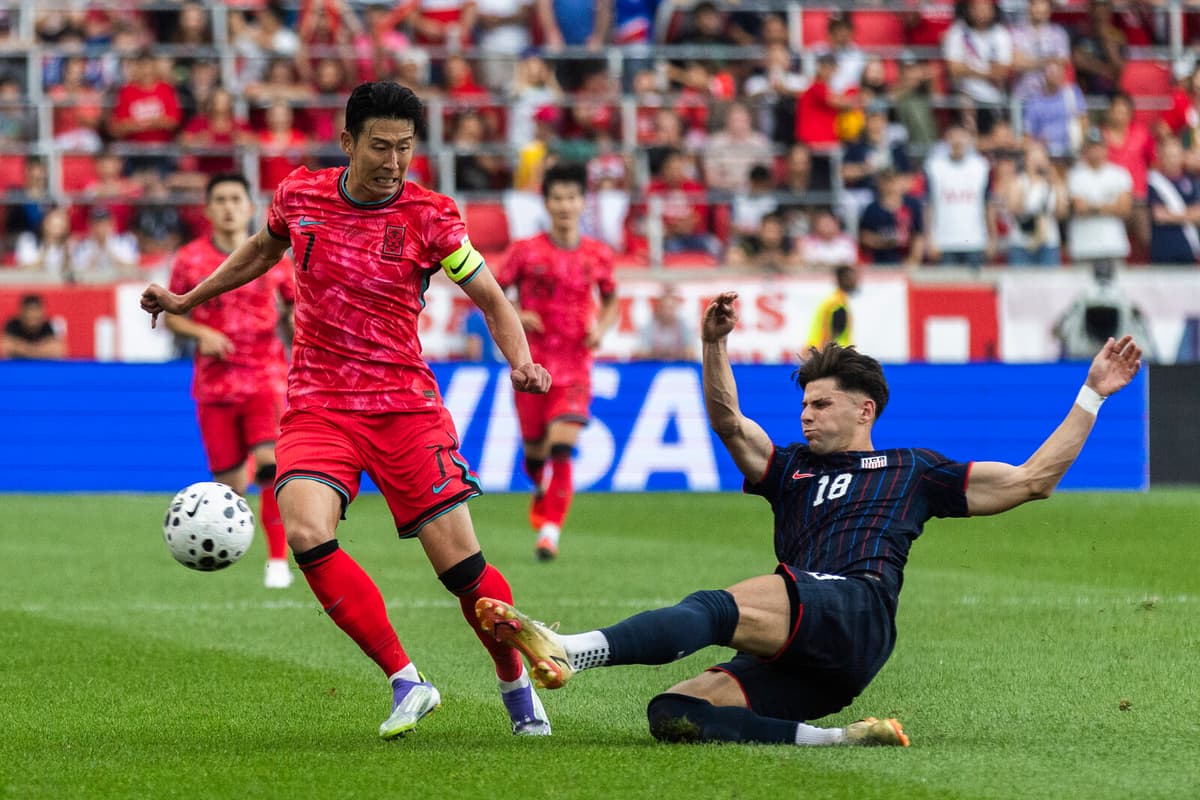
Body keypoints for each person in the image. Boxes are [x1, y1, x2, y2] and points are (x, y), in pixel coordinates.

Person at [475, 291, 1144, 747]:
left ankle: (576, 649)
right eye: (804, 404)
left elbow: (1032, 480)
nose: (807, 414)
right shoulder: (790, 469)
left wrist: (1092, 393)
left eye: (823, 404)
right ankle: (836, 740)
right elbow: (730, 423)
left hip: (855, 611)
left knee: (717, 604)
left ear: (864, 411)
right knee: (674, 714)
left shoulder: (912, 470)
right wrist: (714, 347)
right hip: (820, 666)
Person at [140, 82, 554, 740]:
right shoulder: (300, 196)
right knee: (305, 529)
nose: (394, 161)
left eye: (406, 148)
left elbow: (491, 297)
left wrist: (520, 360)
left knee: (464, 572)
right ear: (347, 143)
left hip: (404, 410)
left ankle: (515, 682)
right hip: (318, 404)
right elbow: (259, 250)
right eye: (382, 147)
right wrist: (190, 300)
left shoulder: (431, 216)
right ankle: (406, 680)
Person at [163, 173, 296, 590]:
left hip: (265, 375)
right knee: (230, 484)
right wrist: (201, 334)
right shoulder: (189, 260)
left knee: (271, 466)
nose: (228, 206)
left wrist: (301, 343)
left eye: (235, 198)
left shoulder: (274, 256)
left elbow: (295, 308)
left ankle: (277, 561)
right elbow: (171, 314)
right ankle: (228, 547)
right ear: (207, 209)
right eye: (219, 199)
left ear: (250, 206)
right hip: (214, 384)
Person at [496, 162, 618, 561]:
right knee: (535, 453)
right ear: (546, 204)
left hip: (575, 365)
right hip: (530, 365)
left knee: (562, 447)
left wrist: (600, 329)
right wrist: (515, 309)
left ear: (583, 202)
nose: (565, 205)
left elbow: (612, 299)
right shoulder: (525, 251)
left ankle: (550, 532)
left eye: (572, 197)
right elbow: (492, 293)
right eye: (557, 198)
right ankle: (538, 488)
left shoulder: (598, 254)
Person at [807, 265, 858, 349]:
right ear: (843, 279)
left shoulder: (835, 301)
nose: (855, 281)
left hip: (826, 353)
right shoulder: (836, 304)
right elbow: (828, 335)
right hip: (832, 354)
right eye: (852, 277)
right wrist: (825, 358)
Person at [2, 294, 65, 360]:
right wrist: (31, 350)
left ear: (42, 312)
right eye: (29, 311)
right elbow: (5, 347)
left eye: (36, 311)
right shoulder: (12, 324)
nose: (32, 315)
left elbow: (59, 349)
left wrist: (30, 351)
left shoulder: (49, 325)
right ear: (21, 312)